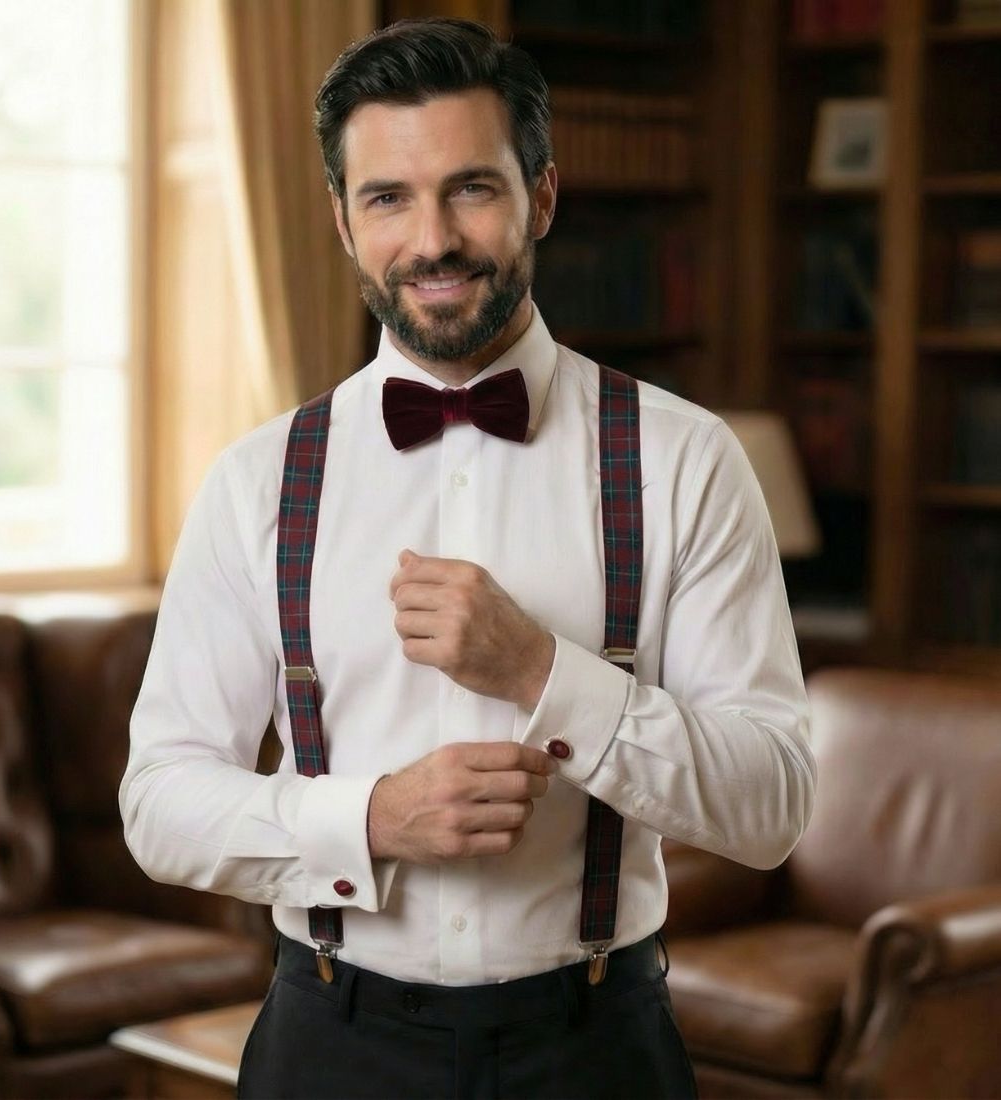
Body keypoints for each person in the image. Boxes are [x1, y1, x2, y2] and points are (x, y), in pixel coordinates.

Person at [120, 17, 815, 1100]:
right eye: (387, 196)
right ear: (343, 222)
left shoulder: (684, 460)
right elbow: (158, 800)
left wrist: (546, 673)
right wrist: (369, 818)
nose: (431, 238)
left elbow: (771, 805)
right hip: (327, 1042)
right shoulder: (257, 480)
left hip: (596, 1048)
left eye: (471, 188)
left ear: (539, 195)